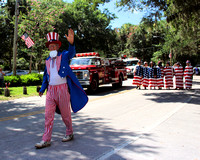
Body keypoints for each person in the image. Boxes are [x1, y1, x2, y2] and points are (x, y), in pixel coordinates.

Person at [35, 29, 88, 149]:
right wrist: (42, 89)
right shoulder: (47, 61)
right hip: (51, 91)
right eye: (50, 46)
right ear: (48, 48)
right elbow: (46, 76)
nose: (52, 48)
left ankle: (69, 132)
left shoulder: (63, 55)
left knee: (65, 114)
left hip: (63, 89)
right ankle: (46, 139)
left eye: (54, 46)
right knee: (48, 116)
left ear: (57, 47)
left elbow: (71, 53)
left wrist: (71, 43)